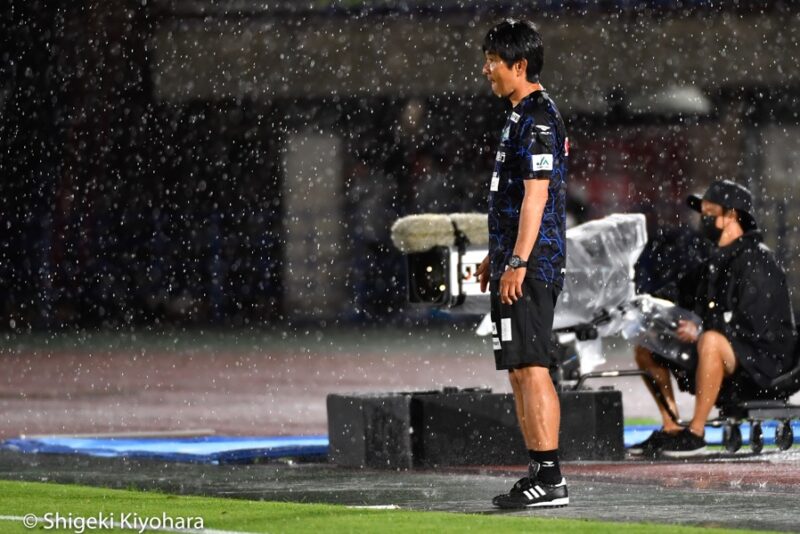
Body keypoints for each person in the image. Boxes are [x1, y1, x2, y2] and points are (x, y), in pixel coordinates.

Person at [630, 180, 797, 457]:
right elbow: (681, 292)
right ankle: (672, 427)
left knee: (710, 341)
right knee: (647, 346)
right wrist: (648, 305)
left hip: (763, 360)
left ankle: (696, 434)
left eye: (709, 212)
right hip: (730, 347)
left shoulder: (757, 261)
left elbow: (755, 325)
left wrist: (701, 328)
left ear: (731, 215)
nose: (703, 219)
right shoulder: (715, 260)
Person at [474, 19, 569, 508]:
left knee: (532, 366)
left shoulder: (540, 118)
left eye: (493, 60)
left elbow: (537, 197)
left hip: (532, 264)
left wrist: (517, 260)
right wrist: (499, 253)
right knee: (518, 368)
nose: (486, 68)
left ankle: (551, 477)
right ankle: (539, 469)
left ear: (520, 65)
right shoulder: (518, 114)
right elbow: (516, 199)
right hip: (519, 258)